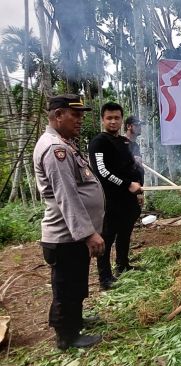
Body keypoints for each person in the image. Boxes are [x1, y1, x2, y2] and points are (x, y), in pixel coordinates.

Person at [33, 94, 105, 350]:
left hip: (73, 234)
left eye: (81, 115)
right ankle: (66, 336)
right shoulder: (55, 149)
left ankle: (76, 321)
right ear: (58, 115)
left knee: (76, 281)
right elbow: (67, 196)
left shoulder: (64, 143)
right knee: (65, 287)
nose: (80, 120)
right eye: (75, 115)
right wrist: (88, 233)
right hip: (65, 235)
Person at [89, 103, 143, 291]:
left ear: (121, 119)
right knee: (107, 237)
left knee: (125, 233)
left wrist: (138, 186)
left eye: (116, 118)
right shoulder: (99, 142)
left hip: (128, 199)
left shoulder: (123, 142)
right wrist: (128, 185)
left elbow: (132, 167)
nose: (113, 121)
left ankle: (123, 266)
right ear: (103, 119)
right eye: (109, 118)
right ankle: (105, 278)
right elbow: (102, 171)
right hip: (109, 199)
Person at [124, 116, 145, 207]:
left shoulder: (136, 145)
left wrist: (140, 191)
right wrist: (132, 159)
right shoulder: (122, 143)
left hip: (137, 186)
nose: (140, 128)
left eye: (140, 125)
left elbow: (138, 169)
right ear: (129, 126)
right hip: (125, 188)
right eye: (137, 125)